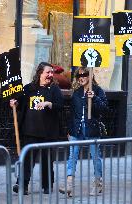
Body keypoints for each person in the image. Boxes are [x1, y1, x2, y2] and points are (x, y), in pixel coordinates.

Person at [10, 62, 63, 194]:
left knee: (47, 160)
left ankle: (47, 186)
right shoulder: (29, 88)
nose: (50, 75)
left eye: (52, 72)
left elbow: (60, 105)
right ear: (40, 73)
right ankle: (22, 185)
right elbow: (19, 104)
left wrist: (48, 103)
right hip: (31, 130)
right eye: (48, 72)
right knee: (27, 160)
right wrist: (14, 103)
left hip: (48, 132)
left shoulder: (54, 89)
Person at [59, 66, 108, 196]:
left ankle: (98, 182)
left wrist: (95, 98)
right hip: (77, 129)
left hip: (92, 129)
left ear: (90, 75)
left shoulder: (98, 91)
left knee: (95, 156)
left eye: (84, 75)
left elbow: (104, 109)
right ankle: (69, 183)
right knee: (72, 156)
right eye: (78, 76)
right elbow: (72, 113)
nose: (81, 78)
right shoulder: (77, 92)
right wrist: (69, 130)